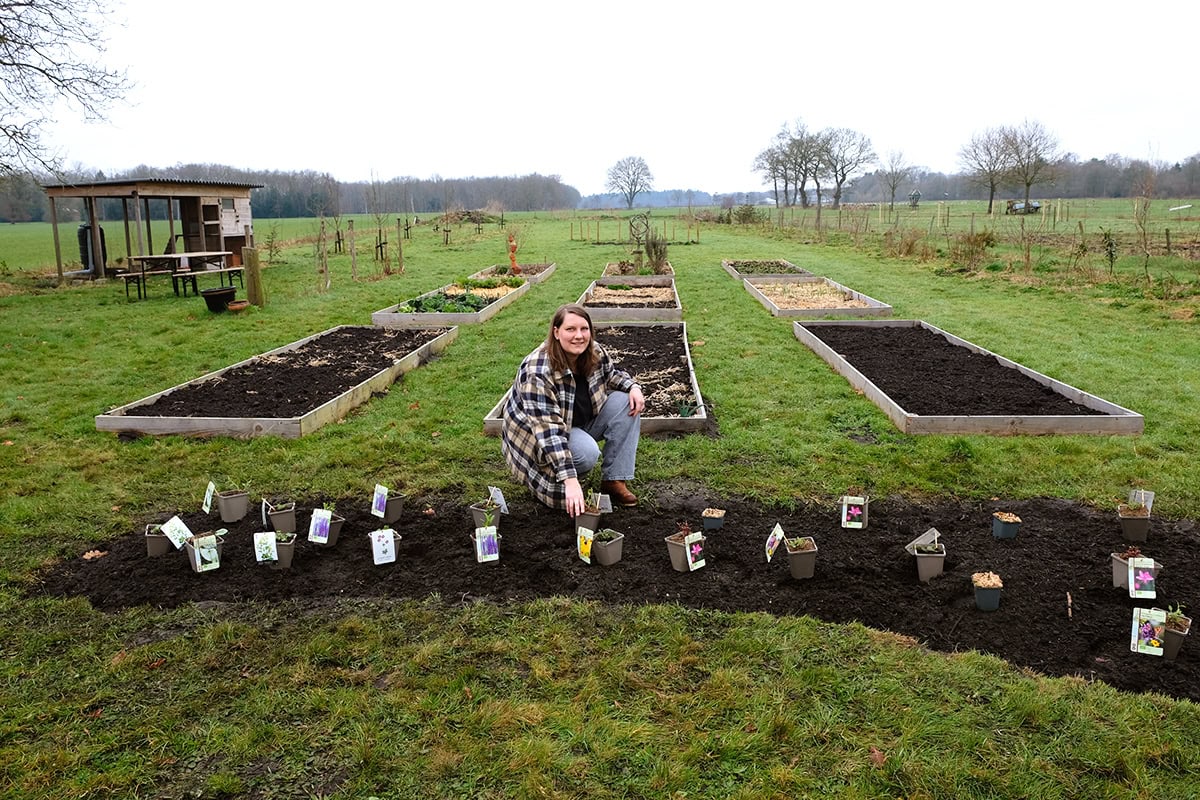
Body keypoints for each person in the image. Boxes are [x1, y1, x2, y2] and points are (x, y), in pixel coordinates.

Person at [501, 303, 645, 517]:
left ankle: (614, 480)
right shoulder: (538, 372)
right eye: (570, 329)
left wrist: (633, 387)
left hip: (577, 421)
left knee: (626, 402)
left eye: (584, 329)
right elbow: (549, 432)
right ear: (556, 332)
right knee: (587, 453)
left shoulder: (594, 351)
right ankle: (566, 481)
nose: (579, 336)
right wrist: (570, 481)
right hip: (538, 439)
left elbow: (612, 375)